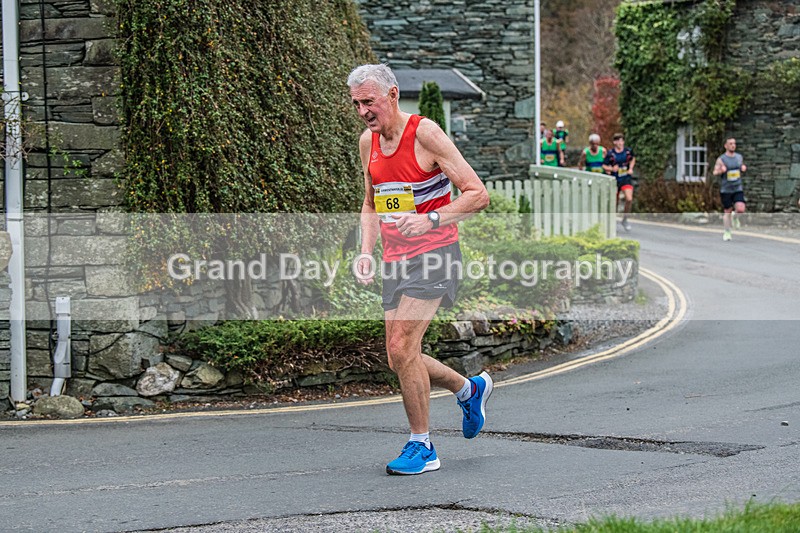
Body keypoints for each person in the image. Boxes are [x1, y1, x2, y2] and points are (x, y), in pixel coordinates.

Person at [348, 64, 493, 476]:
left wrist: (431, 219)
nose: (363, 111)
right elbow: (371, 204)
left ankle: (422, 445)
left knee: (400, 348)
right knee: (399, 356)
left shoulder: (425, 134)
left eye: (369, 102)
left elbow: (477, 194)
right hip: (395, 260)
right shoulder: (367, 143)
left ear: (392, 95)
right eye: (357, 104)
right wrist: (365, 251)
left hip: (435, 255)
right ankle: (468, 389)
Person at [712, 138, 747, 241]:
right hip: (726, 189)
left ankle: (735, 217)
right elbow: (714, 172)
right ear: (726, 146)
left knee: (741, 209)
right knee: (727, 211)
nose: (733, 145)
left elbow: (741, 166)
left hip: (737, 187)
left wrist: (743, 168)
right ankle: (727, 232)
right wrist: (720, 171)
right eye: (730, 144)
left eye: (734, 144)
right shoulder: (721, 159)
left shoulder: (739, 157)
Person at [603, 133, 636, 231]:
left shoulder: (628, 152)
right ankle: (612, 220)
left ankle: (625, 219)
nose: (620, 143)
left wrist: (630, 168)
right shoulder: (611, 154)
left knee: (629, 199)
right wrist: (612, 169)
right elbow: (604, 166)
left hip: (626, 178)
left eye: (621, 141)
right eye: (617, 141)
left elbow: (633, 159)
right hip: (615, 180)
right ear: (614, 142)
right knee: (615, 202)